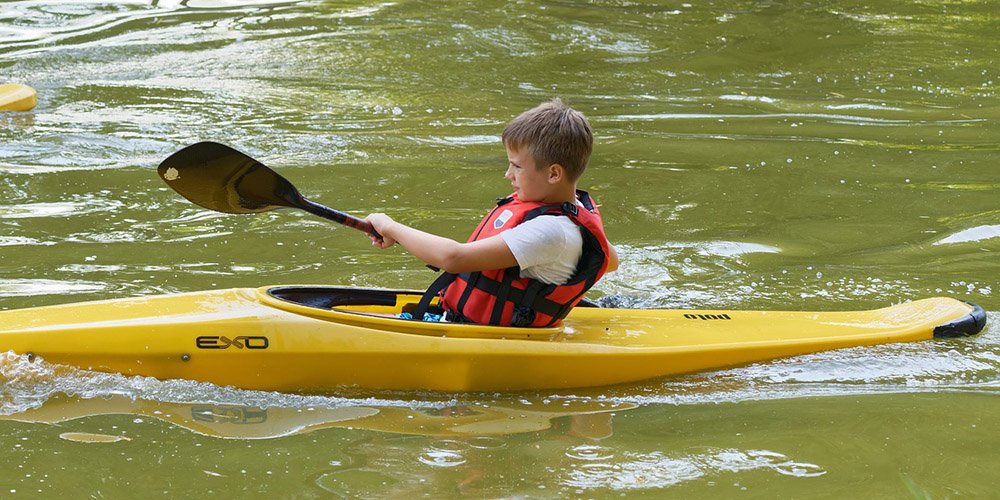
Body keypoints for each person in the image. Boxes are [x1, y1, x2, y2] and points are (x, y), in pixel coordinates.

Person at [365, 98, 619, 327]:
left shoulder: (551, 231)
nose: (508, 174)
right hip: (461, 321)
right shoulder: (574, 211)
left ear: (554, 173)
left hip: (487, 336)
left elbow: (454, 258)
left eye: (516, 166)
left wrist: (389, 226)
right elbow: (611, 260)